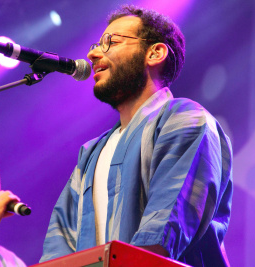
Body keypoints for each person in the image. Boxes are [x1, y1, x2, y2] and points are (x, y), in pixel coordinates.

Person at [40, 5, 233, 267]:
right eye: (97, 44)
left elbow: (161, 234)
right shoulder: (92, 152)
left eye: (111, 42)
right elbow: (59, 244)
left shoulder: (185, 119)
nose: (93, 53)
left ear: (155, 52)